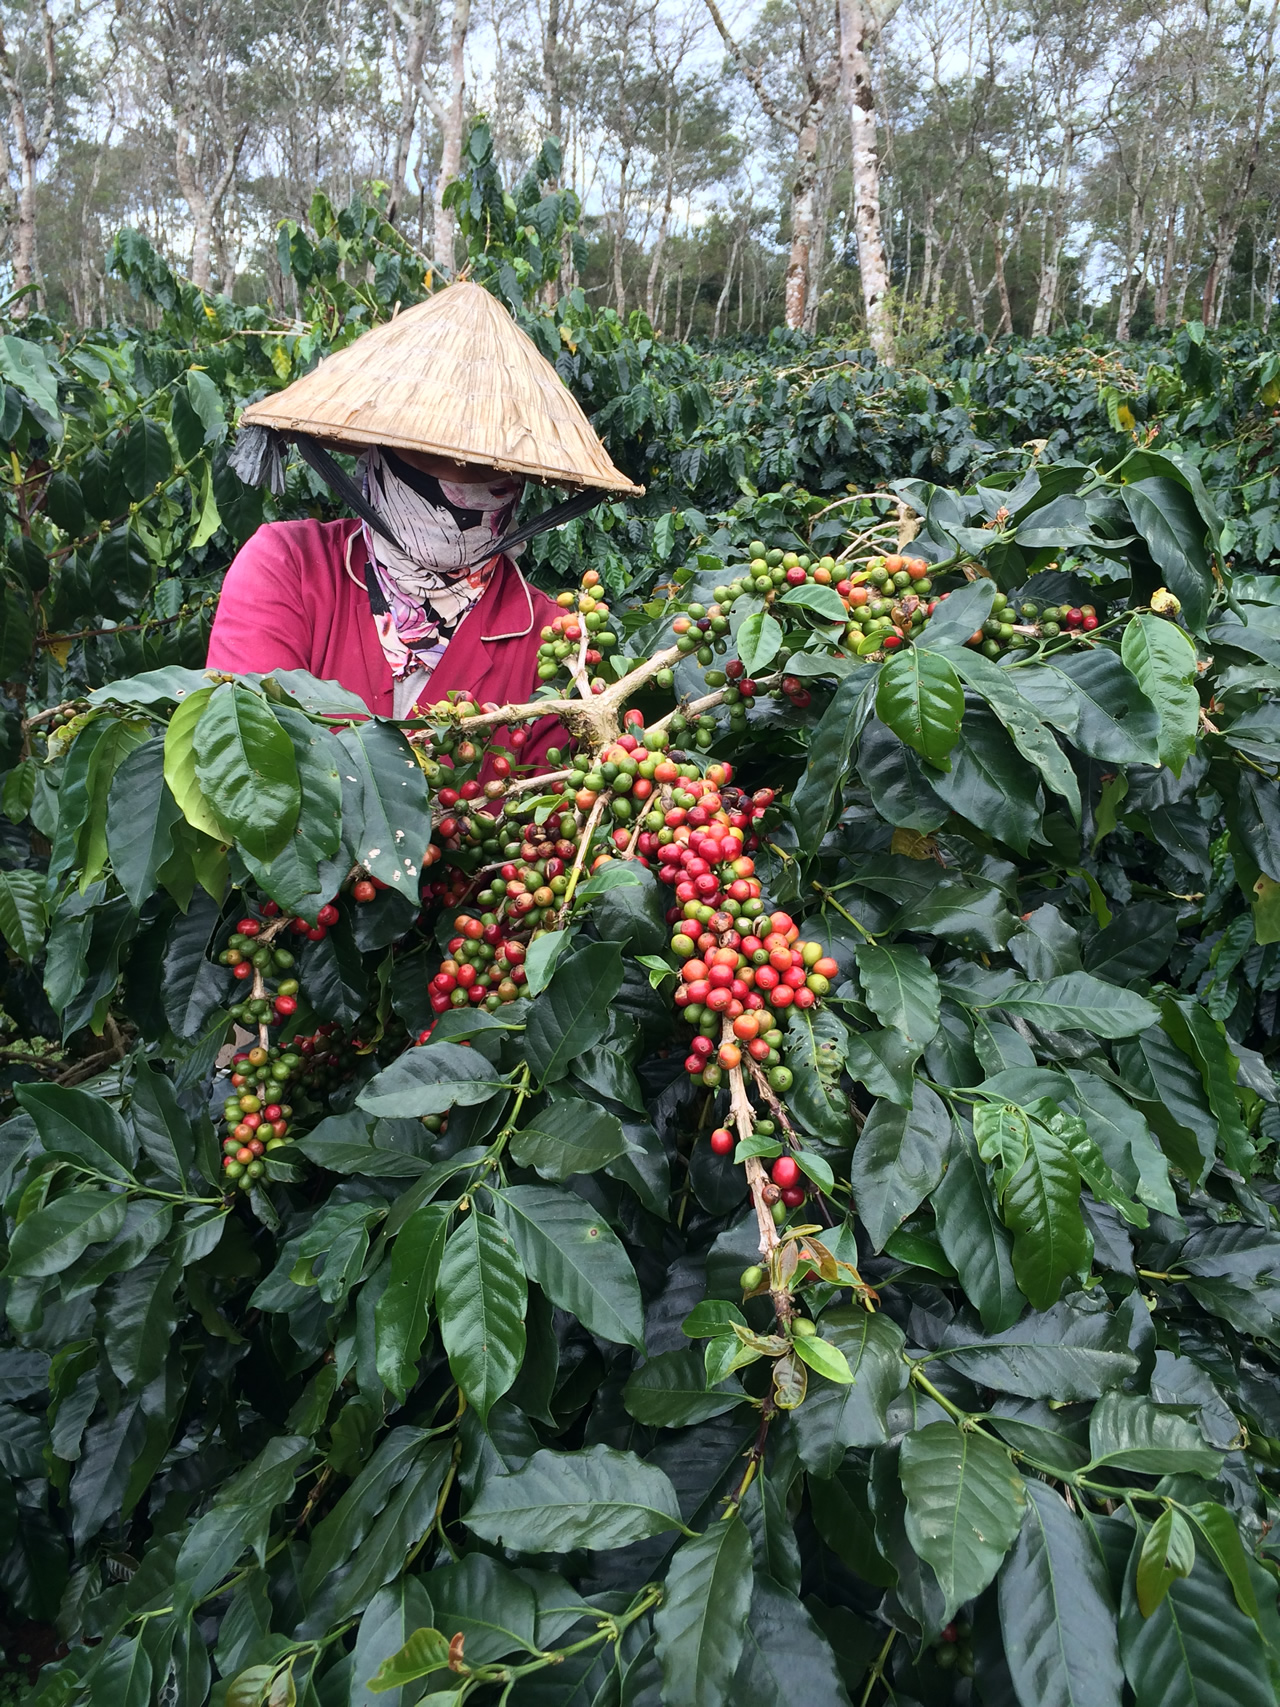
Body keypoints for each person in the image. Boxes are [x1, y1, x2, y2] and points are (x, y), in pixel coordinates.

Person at [207, 280, 640, 722]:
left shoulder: (551, 640)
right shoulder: (289, 566)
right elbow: (249, 755)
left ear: (521, 478)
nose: (458, 481)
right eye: (430, 451)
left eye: (486, 464)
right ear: (377, 451)